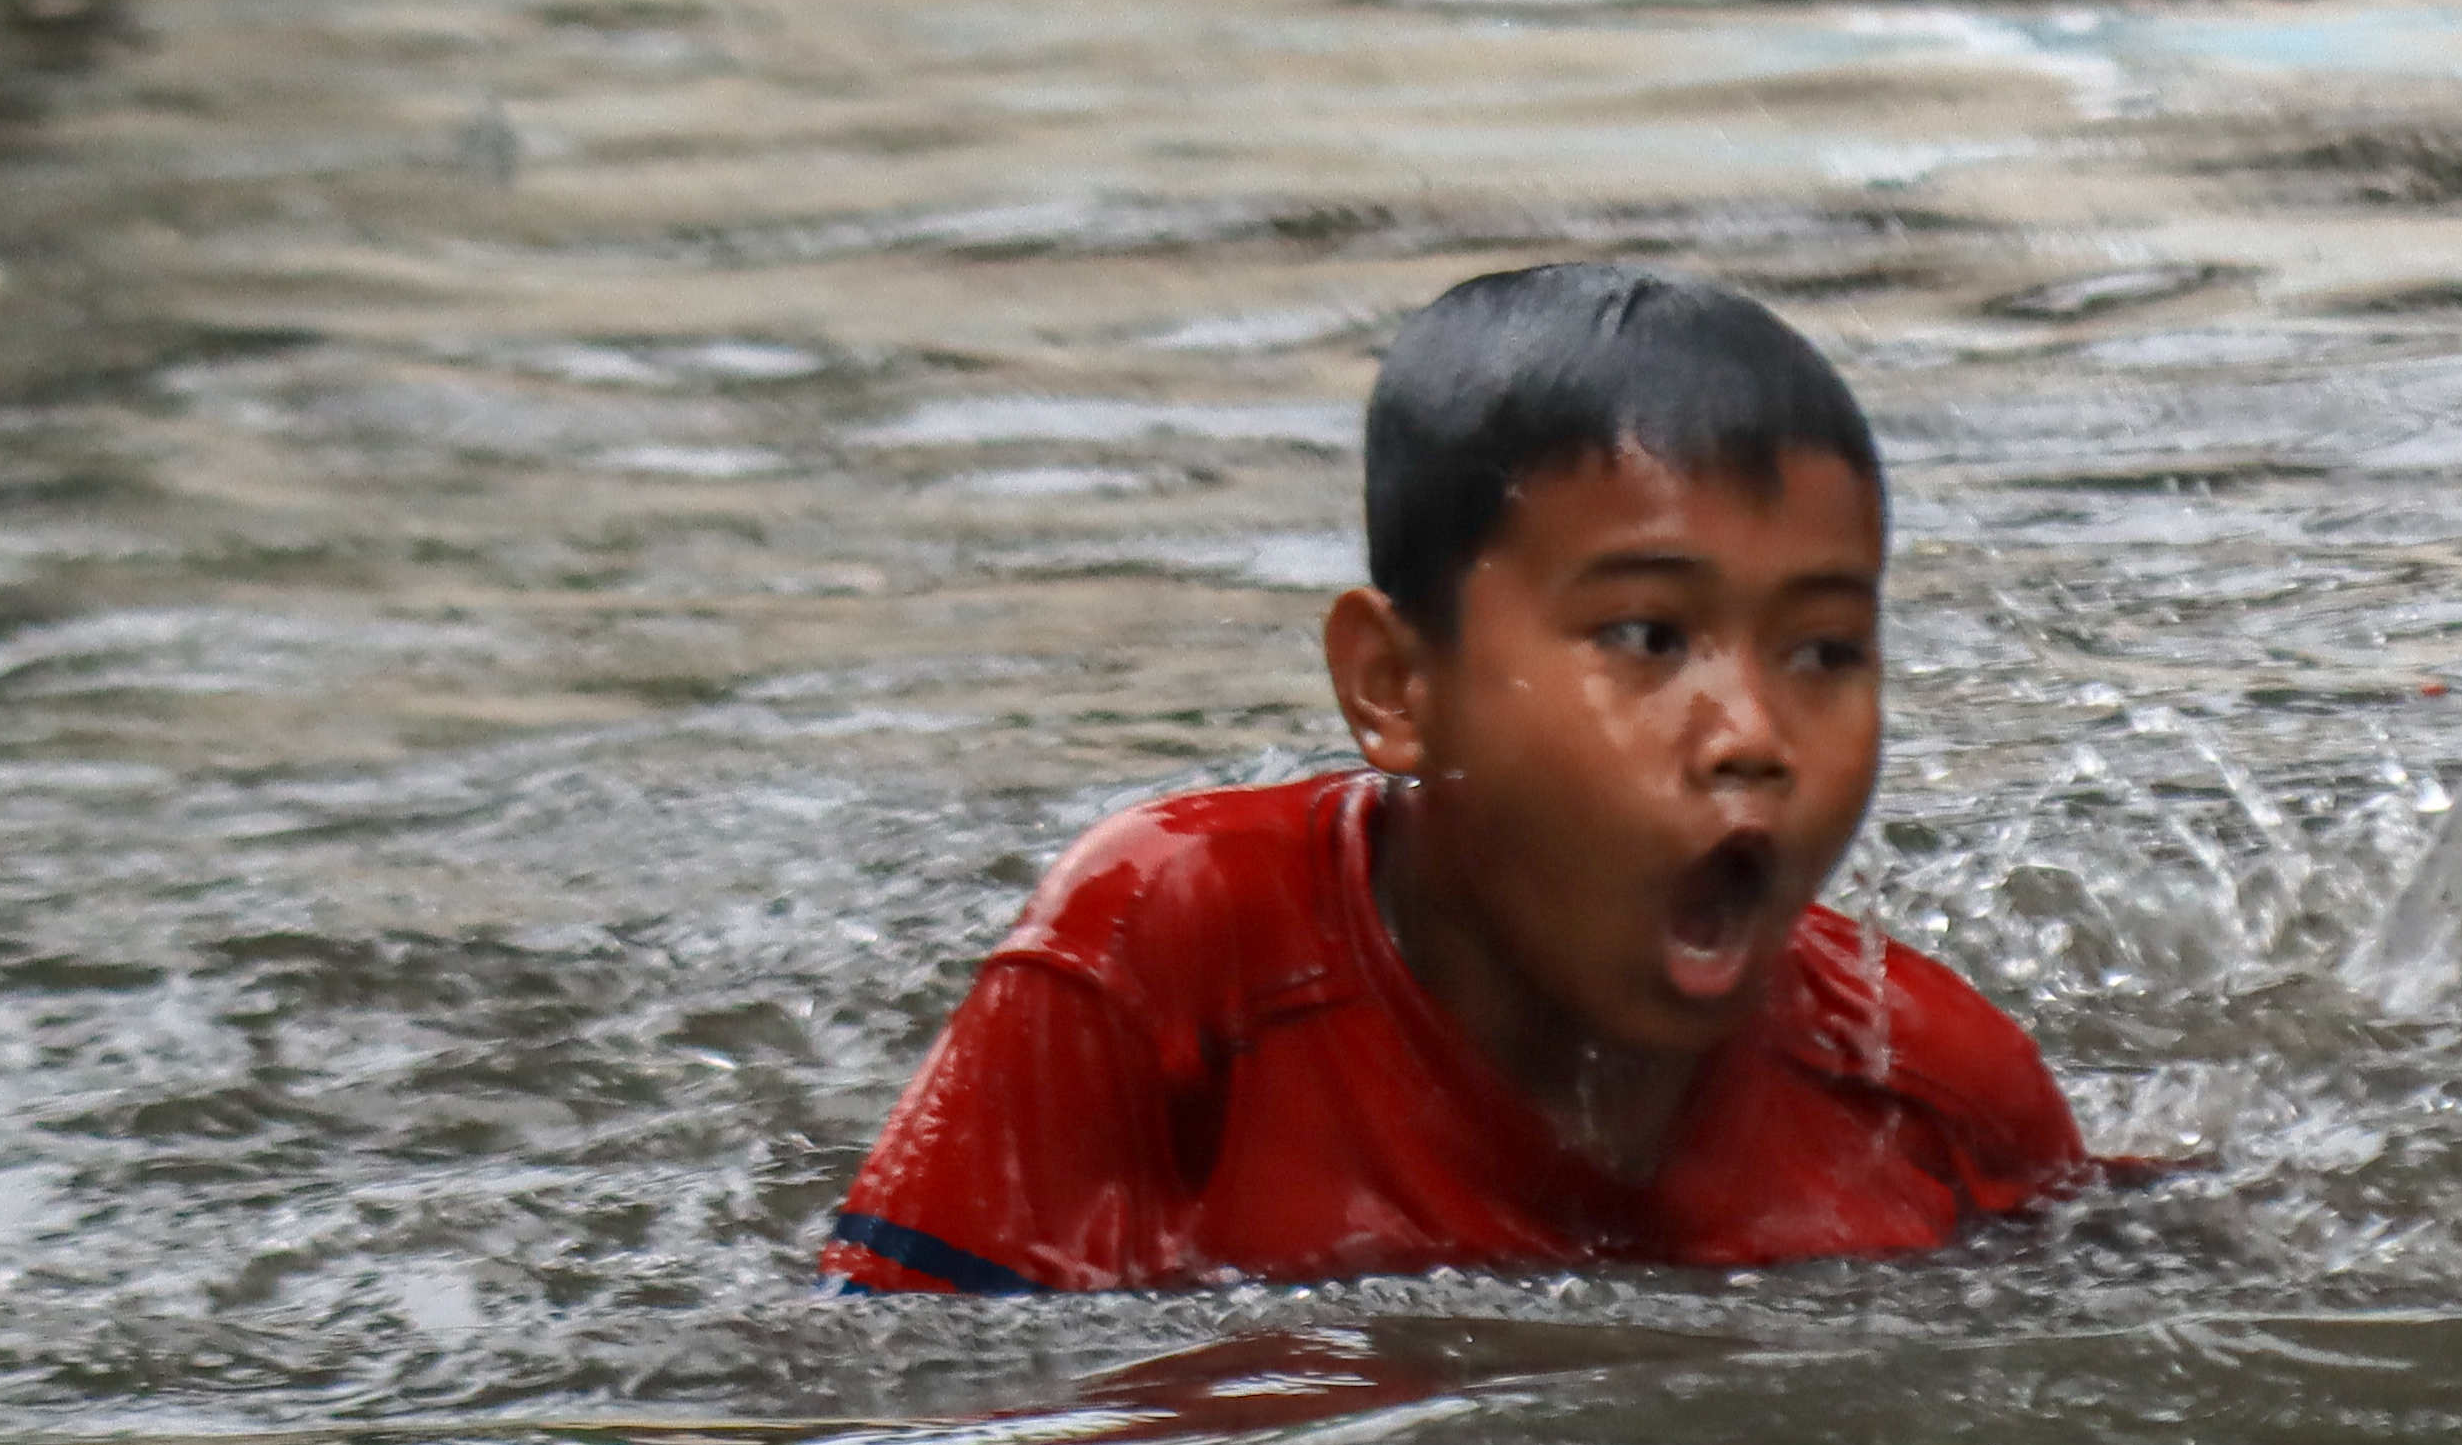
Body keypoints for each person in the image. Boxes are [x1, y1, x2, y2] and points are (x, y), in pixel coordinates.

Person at [819, 262, 2088, 1294]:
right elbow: (893, 1417)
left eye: (1825, 650)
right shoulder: (1164, 947)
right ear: (1396, 686)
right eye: (1647, 638)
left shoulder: (1939, 1109)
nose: (1754, 732)